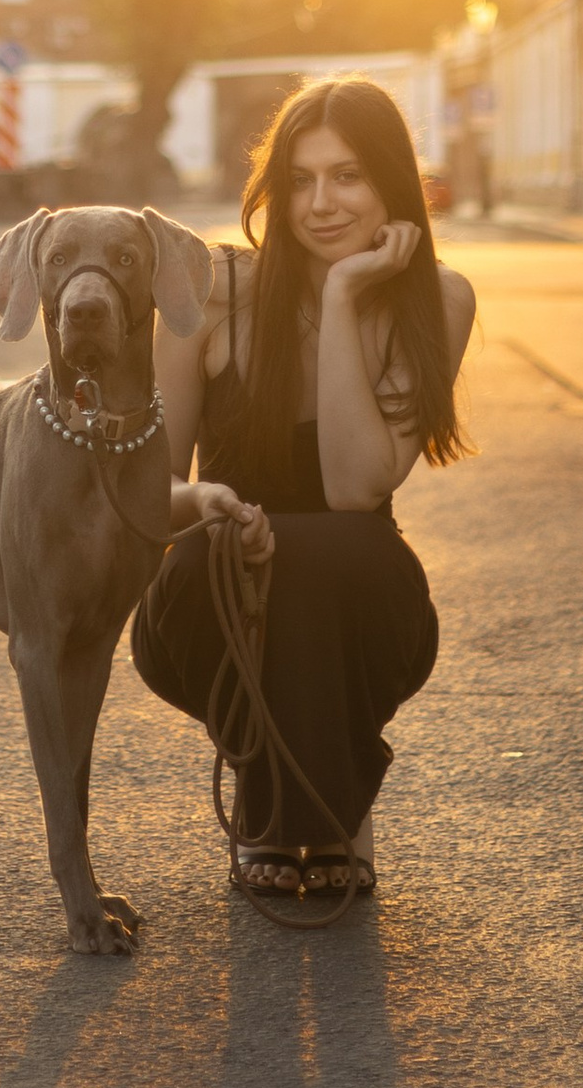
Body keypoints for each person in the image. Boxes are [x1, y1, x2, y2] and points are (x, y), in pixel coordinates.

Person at [132, 73, 476, 901]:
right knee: (246, 551)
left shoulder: (438, 297)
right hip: (211, 596)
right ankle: (299, 810)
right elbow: (145, 502)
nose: (321, 203)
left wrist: (346, 294)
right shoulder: (209, 292)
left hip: (365, 611)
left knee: (336, 543)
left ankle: (319, 809)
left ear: (393, 183)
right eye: (299, 180)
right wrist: (210, 507)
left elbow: (356, 487)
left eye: (348, 175)